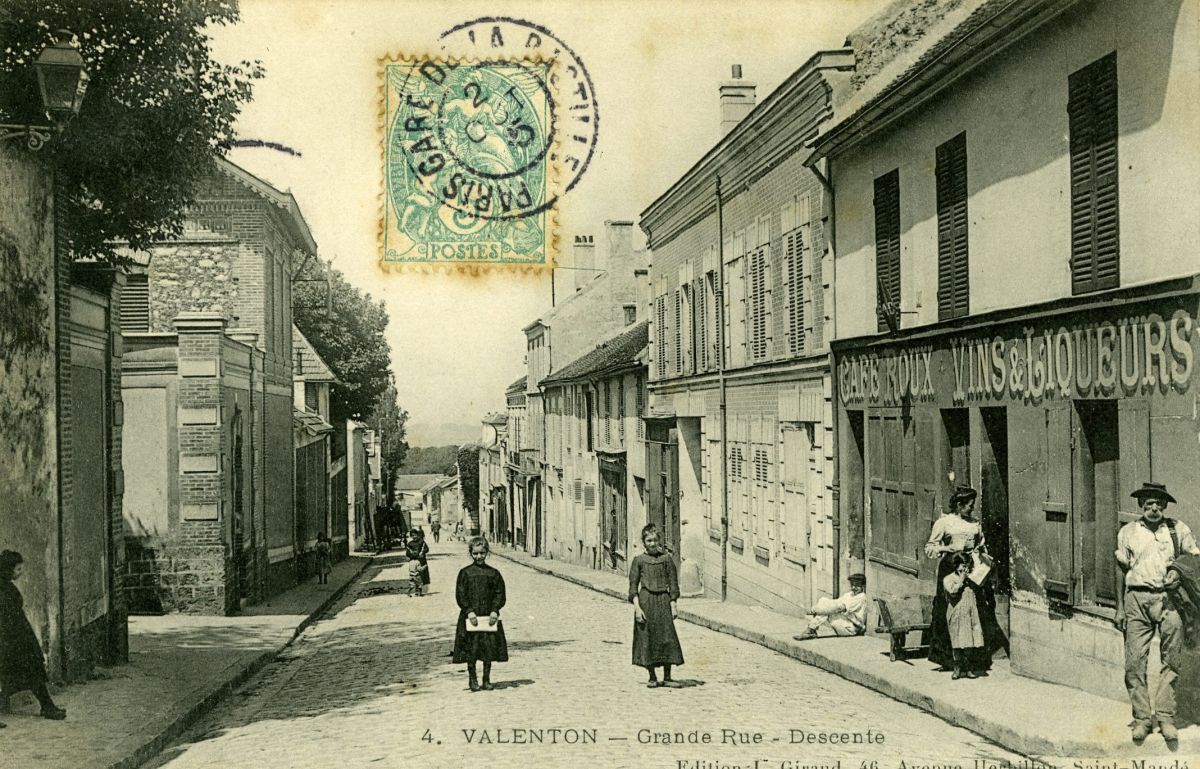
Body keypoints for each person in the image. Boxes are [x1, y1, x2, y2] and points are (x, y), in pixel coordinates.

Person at [1114, 481, 1200, 747]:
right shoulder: (1128, 532)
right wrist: (1119, 607)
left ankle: (1165, 718)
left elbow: (1194, 557)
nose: (1154, 508)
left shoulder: (1177, 529)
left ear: (1165, 506)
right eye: (1149, 503)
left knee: (1171, 660)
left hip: (1169, 600)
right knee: (1134, 663)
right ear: (1141, 505)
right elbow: (1120, 569)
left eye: (1159, 504)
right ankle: (1142, 719)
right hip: (1136, 600)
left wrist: (1176, 570)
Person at [924, 485, 1004, 671]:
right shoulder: (944, 522)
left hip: (971, 568)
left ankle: (973, 658)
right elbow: (930, 548)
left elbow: (981, 545)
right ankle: (949, 658)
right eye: (969, 505)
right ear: (959, 505)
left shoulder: (975, 524)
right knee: (949, 609)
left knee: (973, 608)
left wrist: (982, 554)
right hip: (950, 568)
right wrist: (947, 548)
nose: (972, 508)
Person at [0, 551, 67, 720]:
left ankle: (47, 706)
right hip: (11, 638)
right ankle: (47, 706)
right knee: (30, 669)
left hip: (16, 636)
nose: (20, 572)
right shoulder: (3, 588)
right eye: (17, 569)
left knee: (28, 669)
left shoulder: (6, 585)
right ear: (8, 569)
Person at [629, 524, 685, 688]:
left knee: (667, 637)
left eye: (655, 540)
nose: (652, 544)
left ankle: (667, 677)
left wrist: (673, 604)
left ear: (659, 541)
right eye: (649, 540)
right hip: (646, 602)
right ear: (644, 542)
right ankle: (652, 676)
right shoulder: (639, 561)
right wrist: (637, 608)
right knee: (648, 638)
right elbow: (633, 587)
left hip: (663, 601)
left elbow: (673, 584)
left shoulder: (666, 559)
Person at [452, 537, 508, 691]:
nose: (479, 557)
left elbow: (499, 593)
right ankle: (473, 679)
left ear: (487, 553)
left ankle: (486, 679)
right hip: (471, 617)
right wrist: (468, 611)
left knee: (488, 648)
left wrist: (495, 610)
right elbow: (461, 594)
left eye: (482, 553)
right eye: (475, 553)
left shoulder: (493, 573)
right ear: (471, 553)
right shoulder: (465, 573)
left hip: (488, 616)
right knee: (471, 649)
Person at [943, 552, 985, 679]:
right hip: (956, 613)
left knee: (969, 641)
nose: (965, 569)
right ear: (956, 565)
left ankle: (969, 668)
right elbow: (953, 591)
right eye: (962, 565)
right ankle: (957, 668)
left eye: (967, 566)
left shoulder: (971, 579)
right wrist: (961, 580)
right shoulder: (948, 579)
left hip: (969, 614)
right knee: (957, 641)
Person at [794, 570, 868, 640]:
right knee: (824, 600)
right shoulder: (850, 594)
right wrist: (820, 607)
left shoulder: (861, 597)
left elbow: (840, 608)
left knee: (828, 610)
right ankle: (811, 630)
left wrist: (816, 610)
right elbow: (836, 602)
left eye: (857, 585)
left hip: (851, 629)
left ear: (863, 586)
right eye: (852, 585)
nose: (853, 587)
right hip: (845, 623)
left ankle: (810, 630)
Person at [406, 529, 431, 596]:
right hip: (414, 562)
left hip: (422, 561)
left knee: (422, 576)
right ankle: (416, 591)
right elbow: (407, 553)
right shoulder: (410, 544)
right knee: (415, 576)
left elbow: (427, 549)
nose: (414, 537)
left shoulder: (422, 542)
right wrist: (412, 555)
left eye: (415, 535)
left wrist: (422, 552)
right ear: (411, 536)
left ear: (417, 535)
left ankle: (422, 591)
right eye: (412, 535)